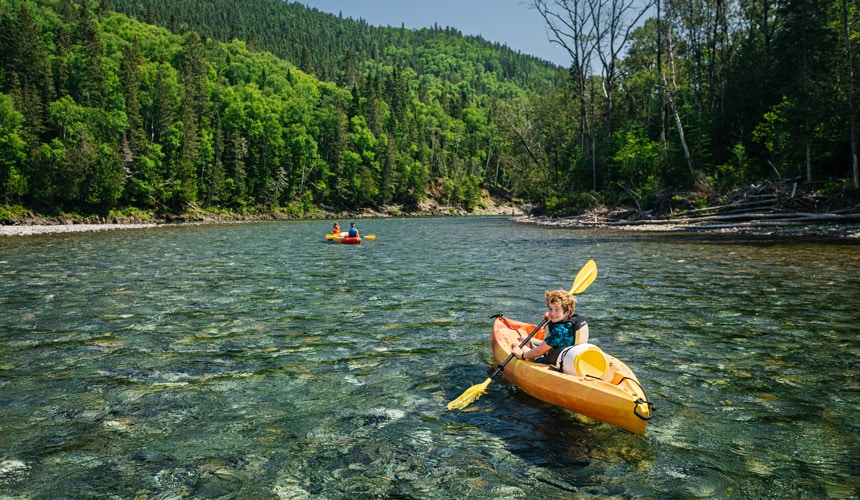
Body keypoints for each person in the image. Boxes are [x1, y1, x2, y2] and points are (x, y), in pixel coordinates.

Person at [511, 289, 589, 367]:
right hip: (562, 354)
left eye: (557, 310)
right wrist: (550, 319)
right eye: (550, 309)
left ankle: (528, 359)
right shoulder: (570, 323)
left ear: (567, 312)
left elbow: (538, 352)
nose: (552, 313)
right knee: (522, 339)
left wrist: (522, 355)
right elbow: (558, 327)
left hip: (550, 360)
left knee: (516, 344)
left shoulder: (558, 331)